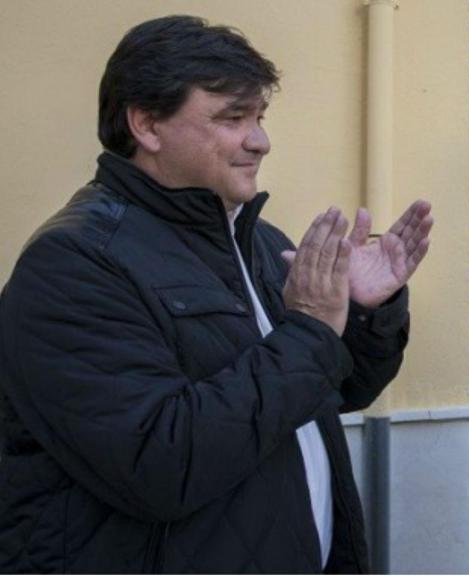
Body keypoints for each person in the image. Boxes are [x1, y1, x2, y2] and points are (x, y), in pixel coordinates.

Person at [0, 15, 432, 573]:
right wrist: (309, 328)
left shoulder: (257, 242)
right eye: (233, 117)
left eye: (260, 116)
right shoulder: (73, 265)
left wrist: (362, 315)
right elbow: (159, 466)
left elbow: (333, 391)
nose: (261, 140)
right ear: (147, 125)